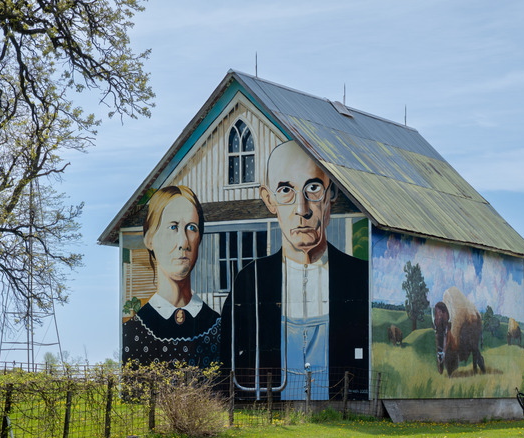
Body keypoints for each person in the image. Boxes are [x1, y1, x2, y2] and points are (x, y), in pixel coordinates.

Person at [221, 140, 369, 400]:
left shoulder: (361, 278)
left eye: (313, 188)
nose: (302, 210)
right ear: (270, 200)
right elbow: (229, 358)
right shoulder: (250, 281)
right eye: (286, 190)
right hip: (267, 413)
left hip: (341, 413)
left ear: (331, 193)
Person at [123, 185, 220, 368]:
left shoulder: (218, 327)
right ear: (150, 238)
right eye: (173, 227)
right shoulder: (132, 332)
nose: (183, 242)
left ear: (200, 238)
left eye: (192, 228)